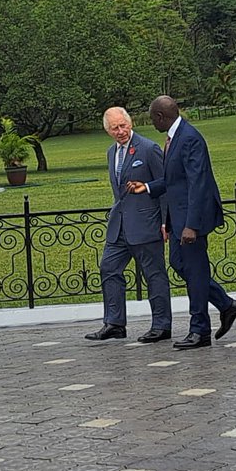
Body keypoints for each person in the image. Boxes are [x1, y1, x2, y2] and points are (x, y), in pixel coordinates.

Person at [127, 95, 236, 349]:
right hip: (179, 218)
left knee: (195, 271)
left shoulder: (189, 138)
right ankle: (226, 305)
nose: (151, 123)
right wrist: (146, 186)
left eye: (152, 118)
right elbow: (175, 180)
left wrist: (192, 225)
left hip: (192, 219)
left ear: (160, 116)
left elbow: (198, 184)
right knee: (181, 265)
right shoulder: (174, 137)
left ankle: (200, 330)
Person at [85, 107, 172, 343]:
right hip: (120, 226)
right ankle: (114, 323)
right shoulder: (111, 152)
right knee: (108, 268)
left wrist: (166, 221)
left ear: (130, 122)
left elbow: (164, 185)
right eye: (115, 128)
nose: (121, 131)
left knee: (154, 275)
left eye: (123, 125)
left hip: (146, 224)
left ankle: (162, 325)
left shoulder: (148, 148)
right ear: (108, 131)